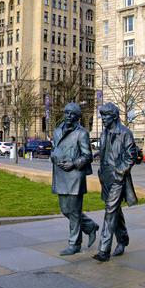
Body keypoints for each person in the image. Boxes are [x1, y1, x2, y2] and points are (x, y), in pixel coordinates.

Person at [51, 102, 99, 255]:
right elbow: (54, 150)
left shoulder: (82, 133)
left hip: (75, 176)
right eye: (66, 113)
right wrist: (54, 157)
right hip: (60, 174)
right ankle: (90, 226)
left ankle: (74, 244)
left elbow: (88, 156)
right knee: (65, 210)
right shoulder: (57, 131)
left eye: (72, 114)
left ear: (78, 117)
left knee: (74, 211)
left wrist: (73, 163)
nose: (68, 116)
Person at [92, 102, 138, 262]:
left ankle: (103, 250)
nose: (103, 119)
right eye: (102, 115)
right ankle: (123, 239)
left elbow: (131, 155)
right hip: (105, 177)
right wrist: (98, 155)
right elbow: (108, 151)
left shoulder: (125, 133)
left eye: (106, 116)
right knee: (115, 211)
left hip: (118, 178)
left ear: (114, 116)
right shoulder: (105, 132)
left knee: (110, 211)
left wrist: (120, 171)